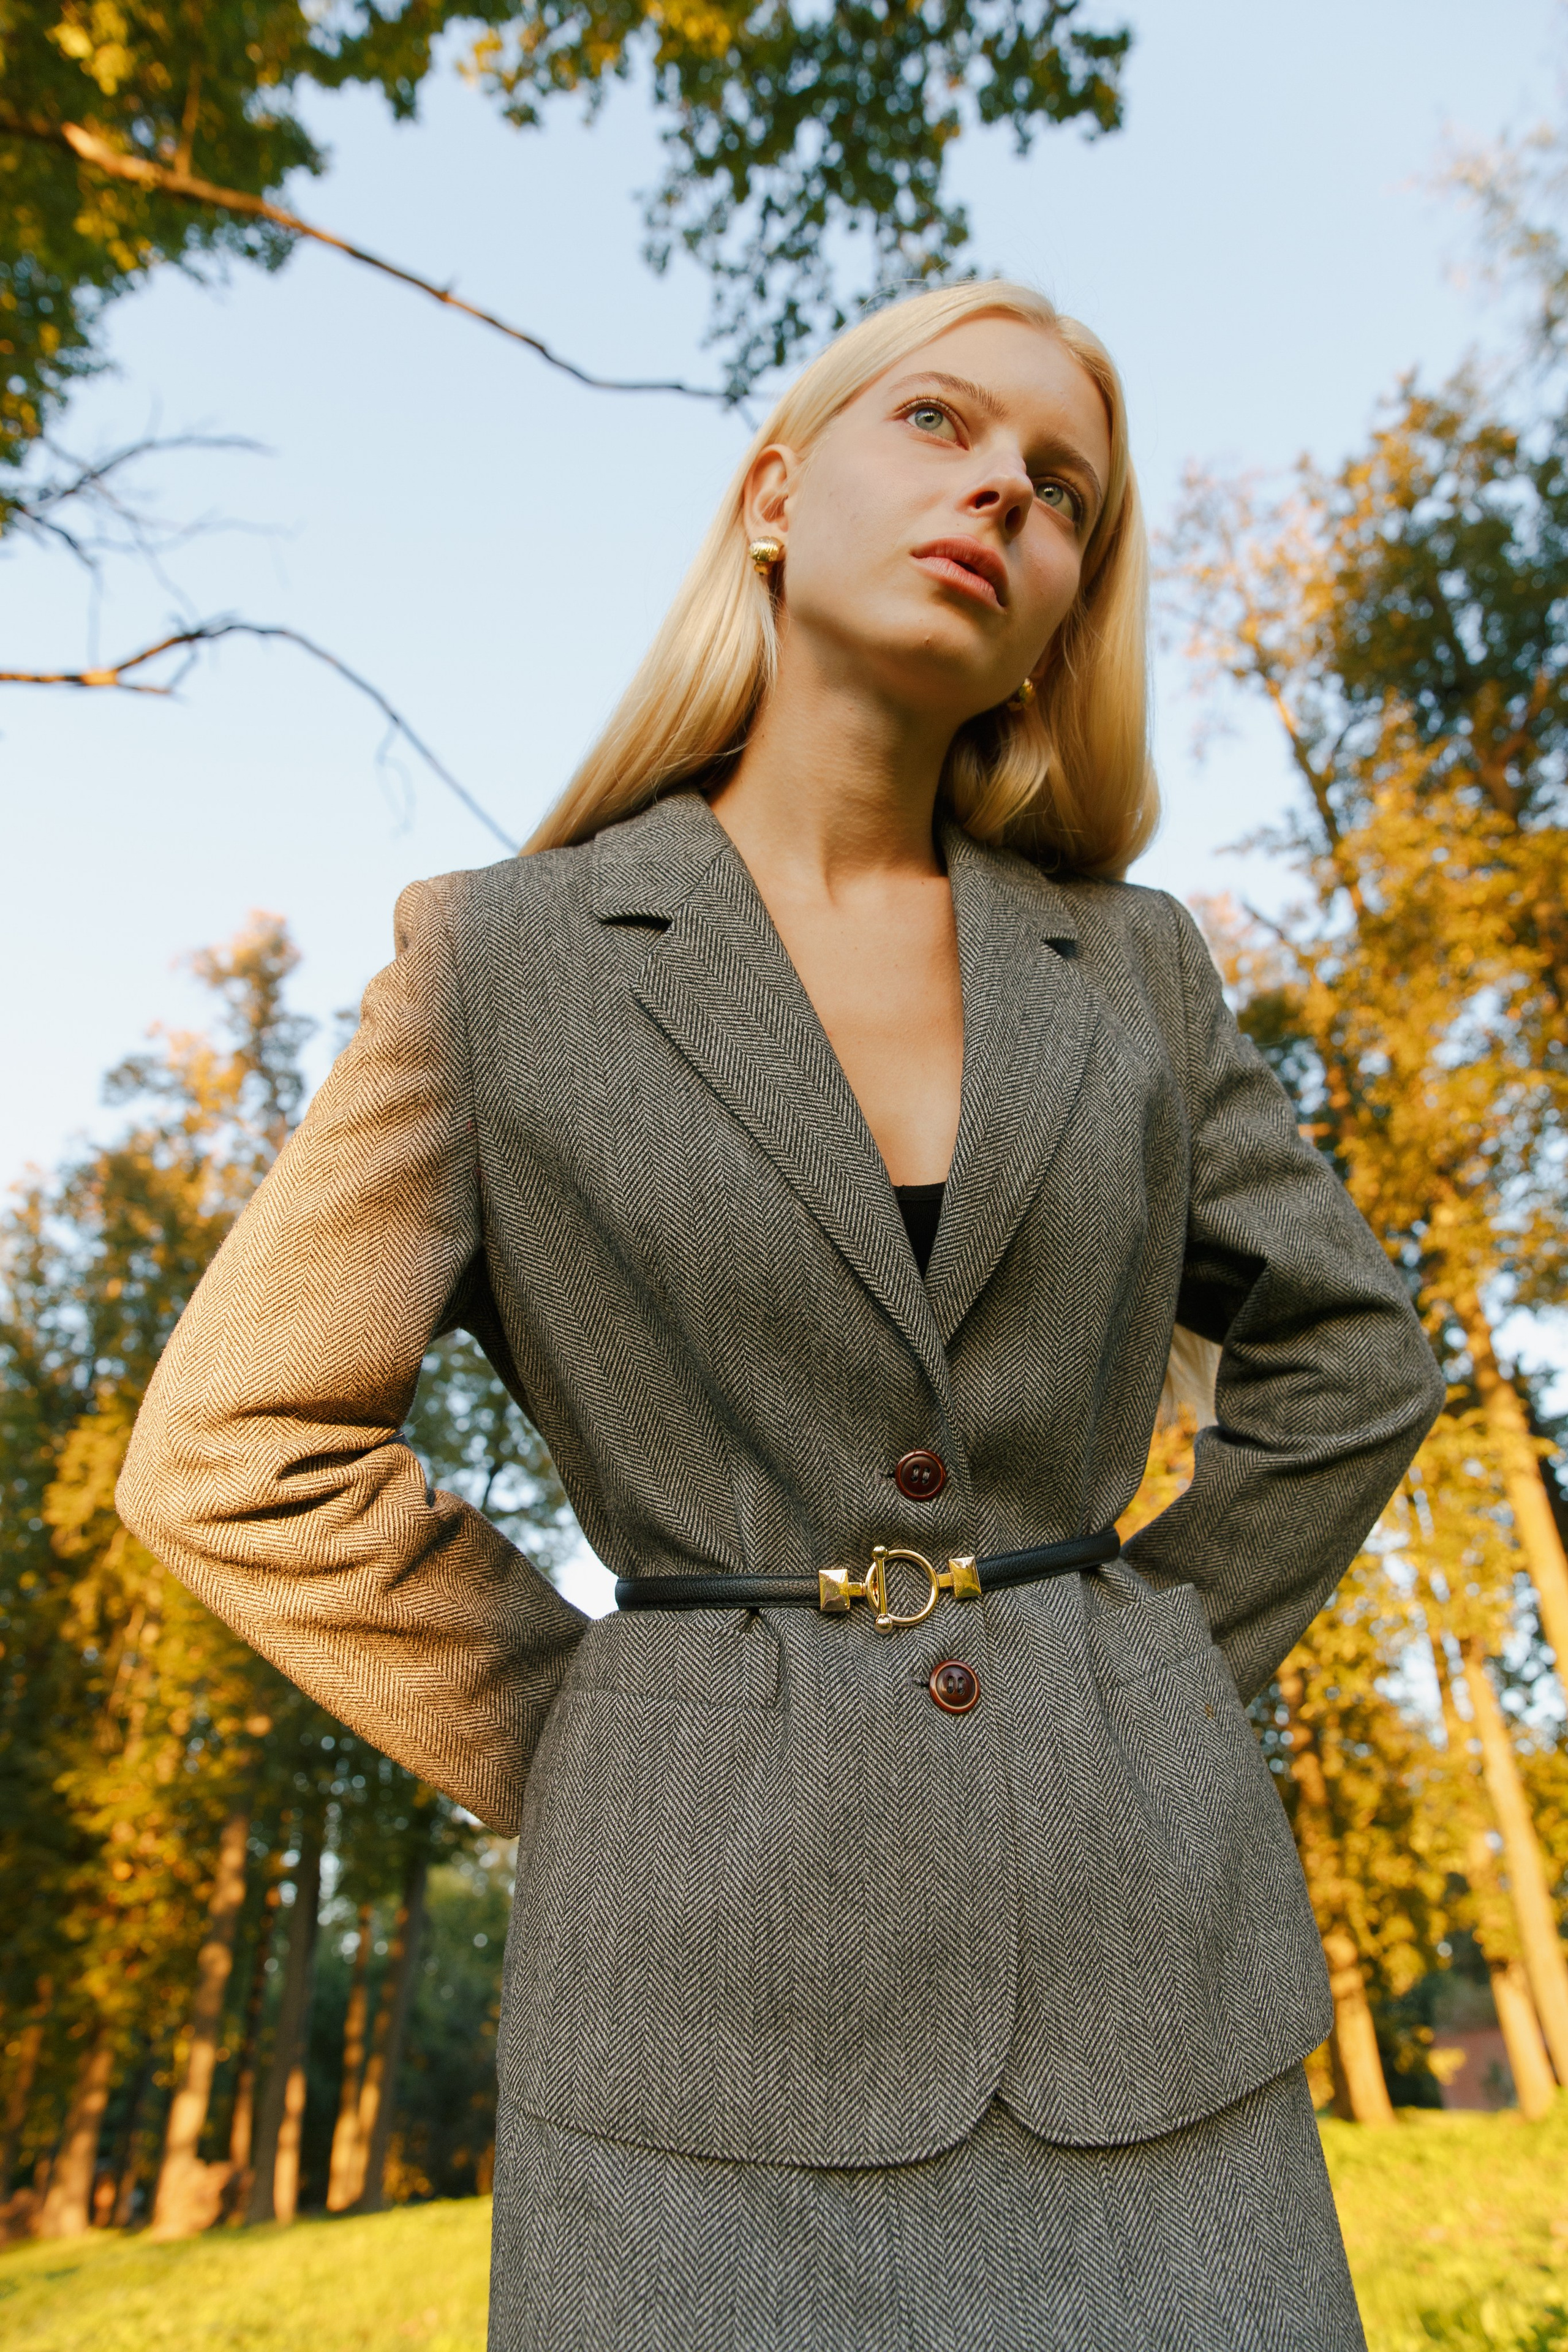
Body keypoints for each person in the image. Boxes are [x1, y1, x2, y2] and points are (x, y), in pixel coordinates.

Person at [118, 279, 1444, 2350]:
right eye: (938, 422)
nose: (1003, 485)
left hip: (1150, 1999)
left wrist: (1143, 1673)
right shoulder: (502, 966)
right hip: (690, 2041)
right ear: (769, 496)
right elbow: (229, 1455)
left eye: (1063, 488)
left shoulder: (1138, 969)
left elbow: (1356, 1359)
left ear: (1067, 603)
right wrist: (603, 1745)